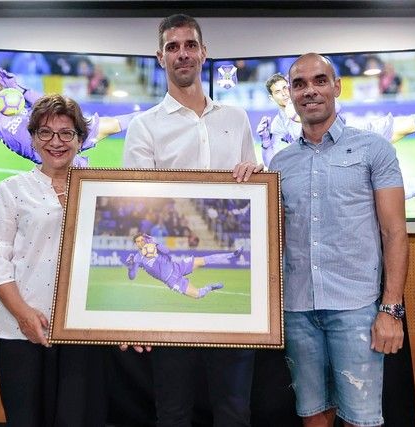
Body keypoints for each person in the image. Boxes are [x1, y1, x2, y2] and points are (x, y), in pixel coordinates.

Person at [123, 13, 261, 427]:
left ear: (204, 53)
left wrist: (253, 180)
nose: (182, 54)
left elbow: (255, 195)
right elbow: (138, 208)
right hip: (172, 283)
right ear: (160, 57)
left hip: (233, 280)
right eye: (172, 47)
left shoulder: (235, 118)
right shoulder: (143, 126)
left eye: (189, 45)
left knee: (235, 409)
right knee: (173, 410)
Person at [268, 53, 409, 427]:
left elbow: (394, 232)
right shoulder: (279, 164)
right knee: (312, 417)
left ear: (336, 87)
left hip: (357, 309)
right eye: (299, 84)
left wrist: (391, 310)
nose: (309, 91)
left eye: (318, 80)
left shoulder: (374, 150)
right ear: (291, 94)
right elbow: (273, 239)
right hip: (297, 310)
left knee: (361, 420)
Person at [0, 94, 109, 425]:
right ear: (33, 138)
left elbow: (110, 259)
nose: (56, 142)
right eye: (45, 133)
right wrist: (23, 316)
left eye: (66, 133)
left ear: (80, 139)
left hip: (80, 331)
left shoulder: (99, 188)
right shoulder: (11, 189)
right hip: (19, 328)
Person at [257, 73, 415, 199]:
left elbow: (337, 111)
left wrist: (299, 116)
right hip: (341, 168)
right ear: (272, 98)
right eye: (278, 92)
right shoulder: (277, 125)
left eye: (287, 87)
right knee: (395, 195)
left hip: (361, 138)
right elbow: (274, 164)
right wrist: (266, 141)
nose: (285, 94)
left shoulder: (312, 102)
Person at [0, 65, 136, 166]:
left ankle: (156, 115)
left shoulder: (17, 94)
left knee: (114, 124)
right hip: (50, 155)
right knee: (82, 185)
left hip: (66, 133)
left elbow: (48, 101)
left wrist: (18, 88)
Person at [125, 233, 243, 298]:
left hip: (177, 266)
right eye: (138, 241)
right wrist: (130, 268)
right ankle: (210, 287)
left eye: (142, 240)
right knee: (197, 295)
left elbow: (166, 251)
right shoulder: (137, 258)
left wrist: (154, 243)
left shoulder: (153, 245)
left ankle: (233, 255)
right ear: (135, 244)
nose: (141, 242)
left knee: (204, 260)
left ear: (145, 239)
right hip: (171, 280)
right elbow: (132, 276)